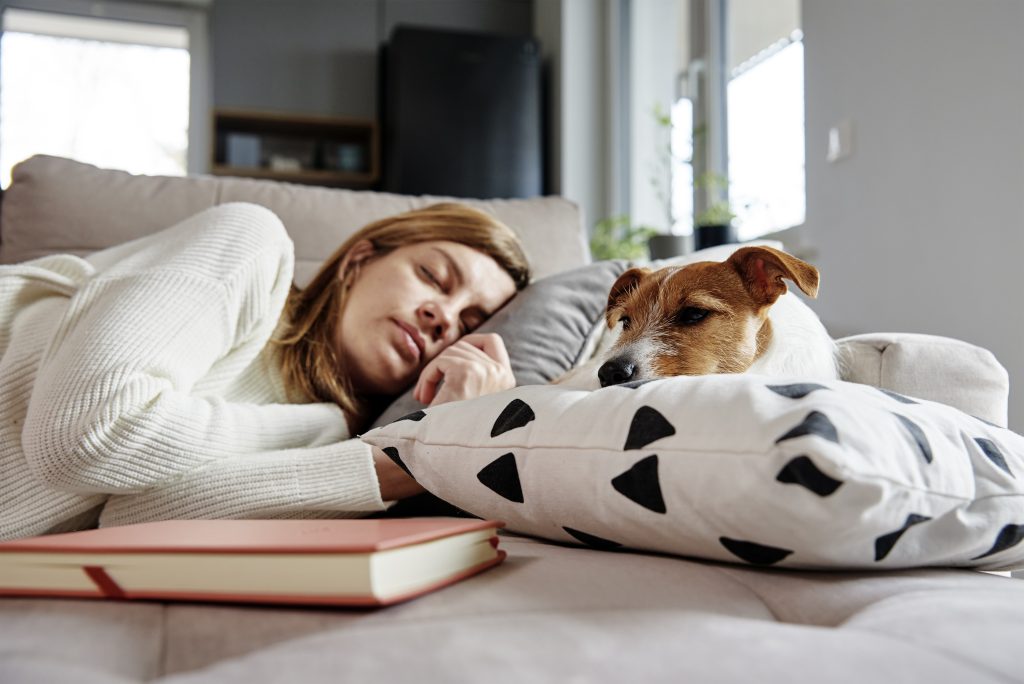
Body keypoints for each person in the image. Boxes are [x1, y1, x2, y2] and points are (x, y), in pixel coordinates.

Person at [0, 201, 530, 540]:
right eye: (432, 276)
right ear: (358, 261)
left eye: (470, 323)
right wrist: (333, 430)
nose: (443, 317)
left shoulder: (335, 449)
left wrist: (437, 445)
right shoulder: (252, 245)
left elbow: (131, 523)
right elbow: (84, 433)